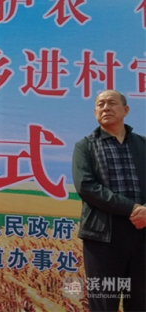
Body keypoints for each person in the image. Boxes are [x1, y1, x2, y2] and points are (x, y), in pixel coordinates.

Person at [72, 90, 146, 312]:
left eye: (112, 103)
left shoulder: (143, 145)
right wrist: (132, 208)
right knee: (104, 303)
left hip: (142, 233)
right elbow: (86, 187)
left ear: (126, 110)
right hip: (103, 237)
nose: (105, 108)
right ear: (95, 112)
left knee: (141, 302)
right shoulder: (85, 146)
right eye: (100, 104)